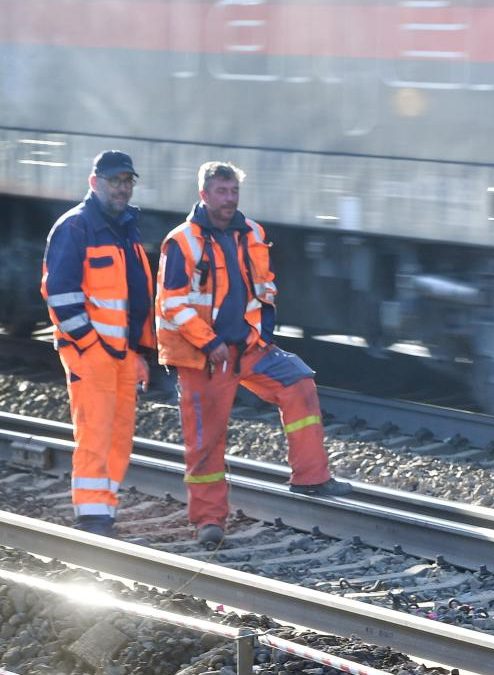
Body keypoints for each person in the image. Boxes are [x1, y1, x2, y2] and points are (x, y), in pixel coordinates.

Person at [155, 161, 351, 546]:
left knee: (298, 383)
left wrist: (259, 332)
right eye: (221, 192)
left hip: (247, 348)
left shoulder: (252, 232)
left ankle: (311, 478)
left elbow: (262, 287)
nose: (229, 200)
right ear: (204, 195)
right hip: (203, 356)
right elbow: (171, 304)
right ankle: (208, 522)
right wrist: (210, 343)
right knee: (206, 441)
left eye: (233, 192)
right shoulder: (182, 242)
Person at [40, 150, 154, 536]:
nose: (122, 188)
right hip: (91, 352)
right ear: (94, 183)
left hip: (121, 352)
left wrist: (137, 352)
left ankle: (104, 510)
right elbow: (59, 293)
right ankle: (91, 516)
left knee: (119, 434)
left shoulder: (125, 229)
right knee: (93, 433)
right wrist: (89, 344)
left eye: (127, 181)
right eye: (114, 181)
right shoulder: (75, 227)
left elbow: (134, 299)